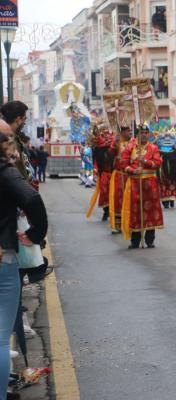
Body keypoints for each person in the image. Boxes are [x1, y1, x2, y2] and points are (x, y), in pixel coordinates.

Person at [0, 129, 48, 400]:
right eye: (6, 141)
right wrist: (35, 235)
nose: (10, 146)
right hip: (2, 255)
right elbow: (31, 199)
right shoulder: (6, 172)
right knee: (0, 337)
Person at [120, 124, 163, 249]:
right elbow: (123, 163)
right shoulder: (130, 147)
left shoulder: (153, 148)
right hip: (134, 183)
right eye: (141, 132)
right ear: (137, 134)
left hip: (150, 184)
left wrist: (145, 161)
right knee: (135, 212)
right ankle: (135, 241)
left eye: (146, 132)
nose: (144, 134)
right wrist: (132, 171)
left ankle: (150, 240)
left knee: (150, 212)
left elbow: (158, 163)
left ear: (149, 134)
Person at [108, 125, 133, 233]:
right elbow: (109, 154)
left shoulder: (134, 143)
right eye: (128, 131)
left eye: (130, 131)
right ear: (122, 132)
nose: (130, 133)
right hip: (118, 175)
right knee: (118, 200)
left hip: (130, 175)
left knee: (130, 200)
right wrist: (115, 147)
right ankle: (117, 225)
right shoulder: (116, 142)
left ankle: (129, 224)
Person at [87, 127, 115, 221]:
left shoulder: (114, 146)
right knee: (104, 193)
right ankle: (106, 211)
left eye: (108, 134)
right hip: (104, 174)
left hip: (116, 174)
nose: (106, 136)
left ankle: (114, 212)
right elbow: (96, 160)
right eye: (103, 134)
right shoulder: (98, 149)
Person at [157, 129, 176, 208]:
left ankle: (171, 200)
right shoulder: (158, 151)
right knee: (164, 184)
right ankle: (165, 201)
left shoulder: (175, 150)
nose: (167, 139)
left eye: (169, 137)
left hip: (173, 173)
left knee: (172, 184)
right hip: (163, 173)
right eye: (165, 137)